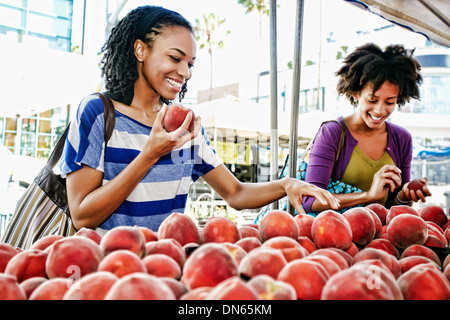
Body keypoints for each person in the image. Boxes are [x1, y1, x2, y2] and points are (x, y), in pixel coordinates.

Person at [60, 5, 339, 234]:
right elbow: (83, 216)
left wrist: (286, 184)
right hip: (109, 271)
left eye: (190, 64)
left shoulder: (187, 126)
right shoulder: (97, 111)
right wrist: (150, 154)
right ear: (140, 51)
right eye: (175, 58)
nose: (185, 72)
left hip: (166, 269)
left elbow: (235, 192)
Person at [302, 43, 431, 214]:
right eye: (372, 100)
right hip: (333, 233)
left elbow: (395, 208)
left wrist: (405, 196)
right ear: (356, 94)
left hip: (377, 237)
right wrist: (368, 195)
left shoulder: (402, 138)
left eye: (390, 102)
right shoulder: (332, 133)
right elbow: (310, 201)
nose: (379, 110)